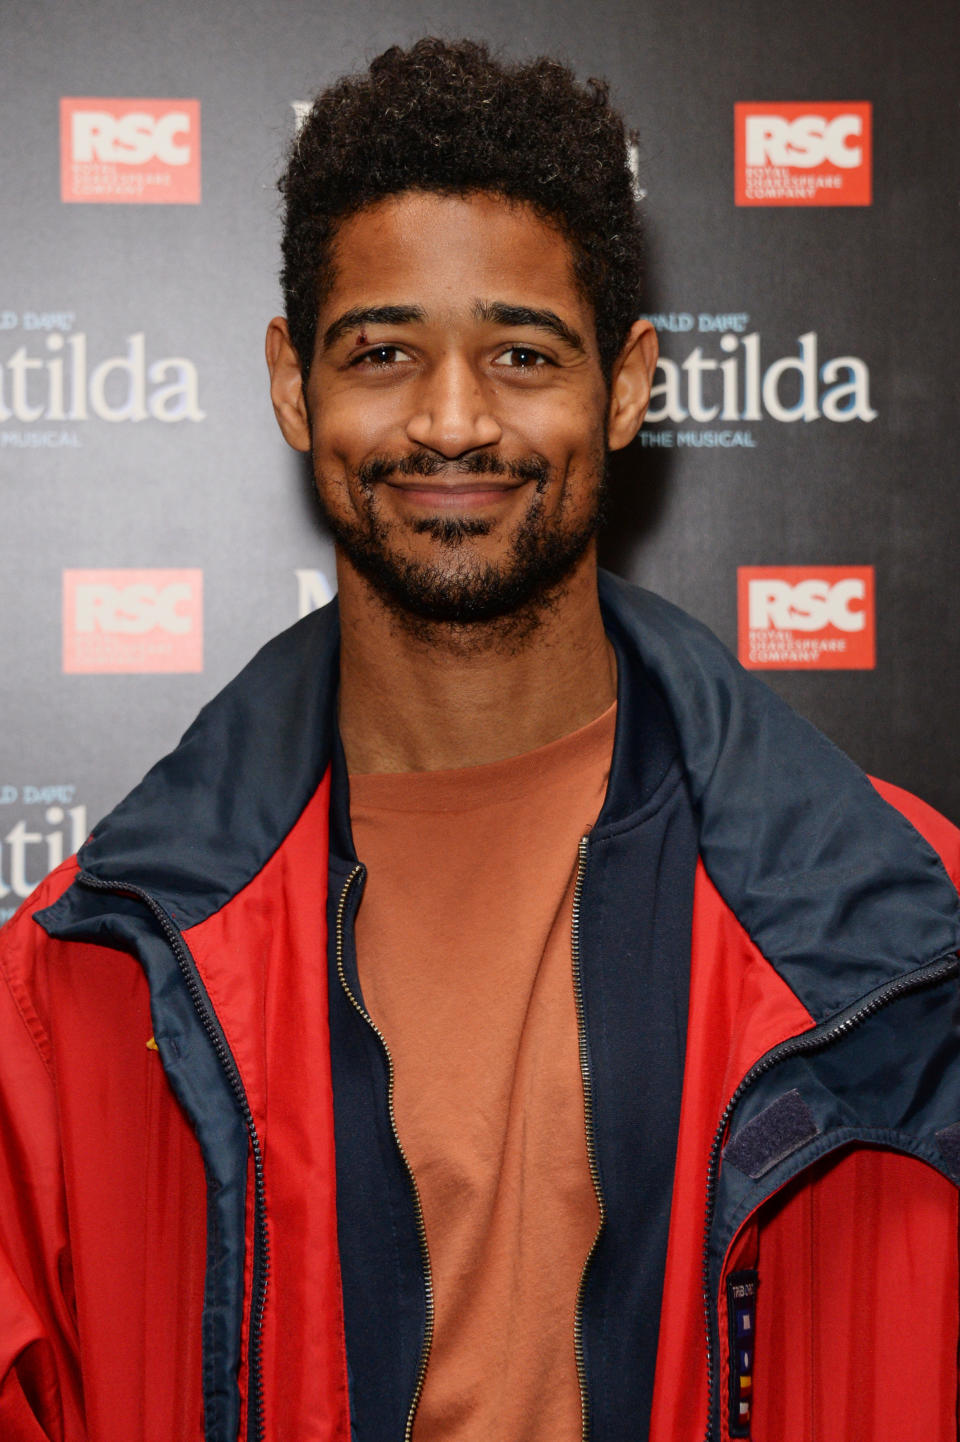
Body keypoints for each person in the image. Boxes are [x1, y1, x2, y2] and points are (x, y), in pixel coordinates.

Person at [1, 37, 959, 1442]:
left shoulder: (906, 949)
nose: (453, 422)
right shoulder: (79, 984)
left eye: (521, 353)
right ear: (292, 384)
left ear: (628, 386)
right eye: (384, 353)